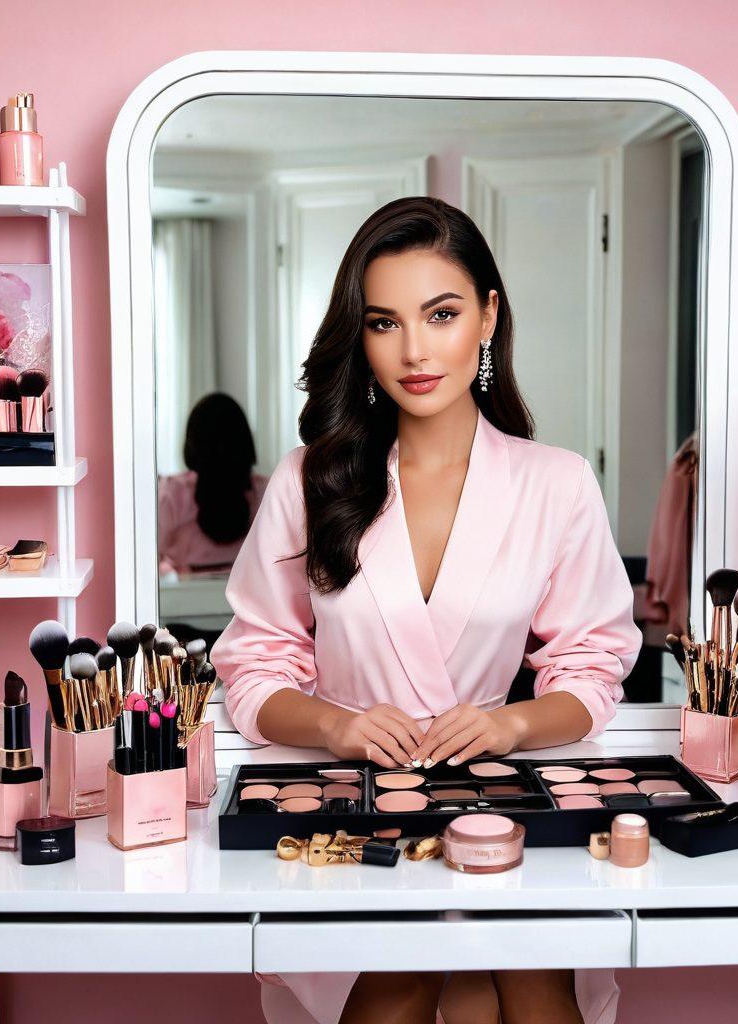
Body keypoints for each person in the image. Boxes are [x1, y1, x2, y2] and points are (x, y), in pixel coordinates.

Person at [212, 196, 643, 1024]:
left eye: (441, 314)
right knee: (397, 980)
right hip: (352, 806)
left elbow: (592, 666)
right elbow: (254, 663)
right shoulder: (310, 481)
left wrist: (511, 725)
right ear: (361, 336)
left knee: (534, 978)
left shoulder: (555, 484)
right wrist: (335, 725)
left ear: (487, 316)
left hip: (499, 798)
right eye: (385, 322)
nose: (413, 350)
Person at [157, 393, 268, 575]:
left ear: (192, 444)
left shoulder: (173, 493)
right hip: (248, 592)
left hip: (183, 592)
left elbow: (146, 562)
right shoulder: (265, 492)